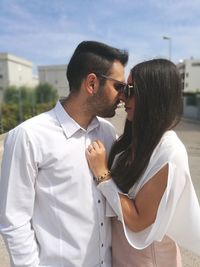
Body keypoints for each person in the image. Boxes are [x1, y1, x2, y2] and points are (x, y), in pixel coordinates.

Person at [0, 41, 129, 267]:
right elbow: (14, 220)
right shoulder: (29, 137)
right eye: (118, 86)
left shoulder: (108, 133)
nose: (123, 96)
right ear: (91, 83)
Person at [86, 58, 200, 267]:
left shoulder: (170, 151)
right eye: (123, 89)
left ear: (153, 96)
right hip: (122, 256)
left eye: (130, 89)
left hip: (150, 260)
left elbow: (139, 220)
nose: (122, 96)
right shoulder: (135, 139)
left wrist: (102, 173)